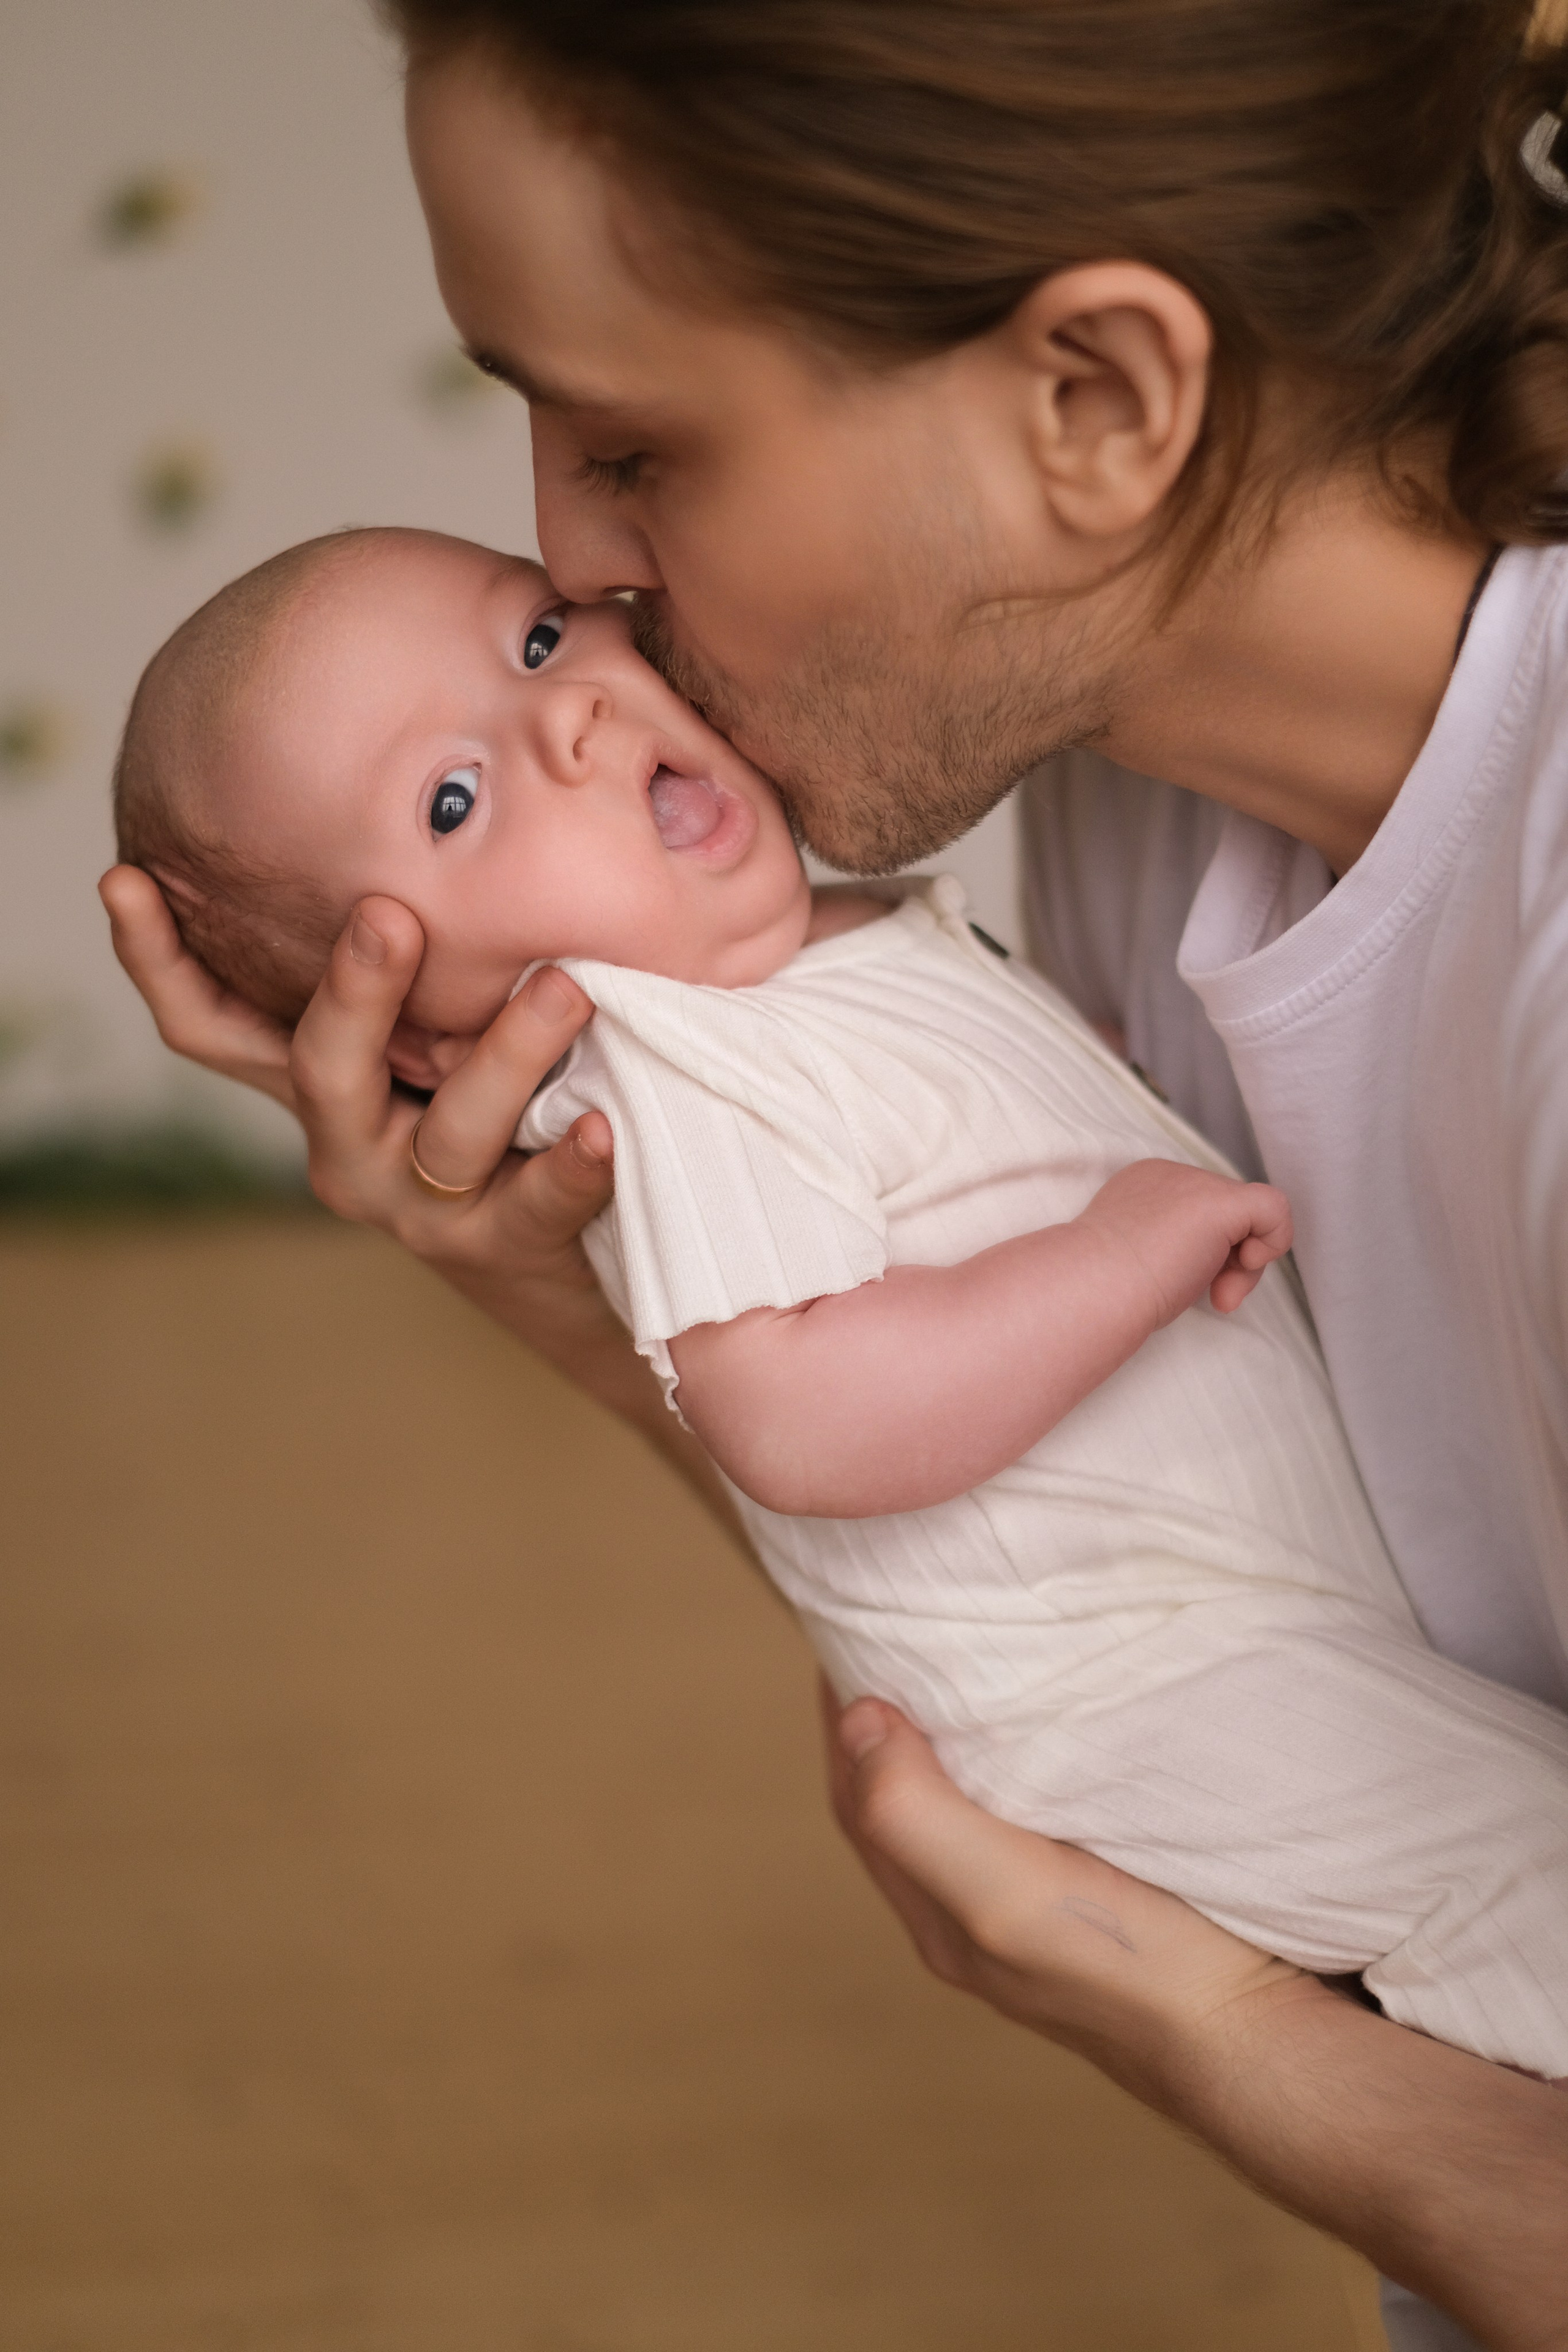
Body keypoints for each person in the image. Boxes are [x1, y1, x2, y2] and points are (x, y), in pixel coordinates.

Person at [97, 3, 1568, 2343]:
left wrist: (1262, 2065)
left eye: (637, 452)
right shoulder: (1106, 789)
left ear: (1097, 402)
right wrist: (565, 1283)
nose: (580, 571)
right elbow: (988, 1547)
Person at [110, 518, 1568, 2081]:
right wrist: (1112, 1255)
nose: (573, 712)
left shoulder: (826, 949)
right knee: (1514, 1871)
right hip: (1121, 1689)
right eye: (453, 802)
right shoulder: (670, 1061)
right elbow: (798, 1415)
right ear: (409, 1025)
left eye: (535, 637)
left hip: (1226, 1602)